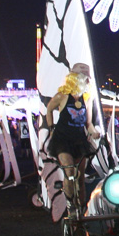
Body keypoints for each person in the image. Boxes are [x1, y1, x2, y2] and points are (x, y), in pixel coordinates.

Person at [44, 63, 101, 218]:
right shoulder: (62, 96)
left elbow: (87, 124)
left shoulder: (86, 99)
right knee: (69, 172)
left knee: (80, 177)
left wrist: (95, 133)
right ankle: (70, 205)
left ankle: (81, 208)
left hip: (79, 140)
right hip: (62, 140)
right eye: (85, 78)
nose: (88, 81)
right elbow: (49, 109)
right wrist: (51, 128)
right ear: (76, 78)